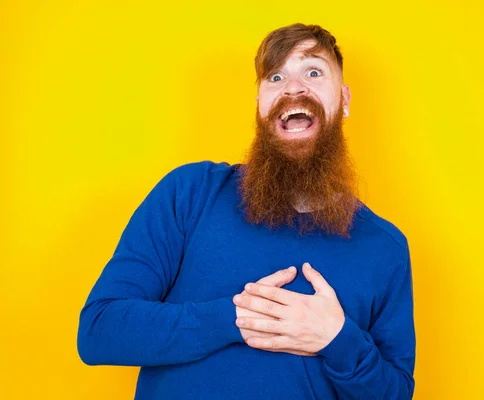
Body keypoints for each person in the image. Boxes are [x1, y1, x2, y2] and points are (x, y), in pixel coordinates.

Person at [77, 23, 416, 399]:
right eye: (275, 76)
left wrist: (338, 339)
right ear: (259, 103)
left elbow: (395, 393)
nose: (293, 87)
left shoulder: (385, 248)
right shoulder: (190, 193)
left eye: (314, 72)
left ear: (345, 98)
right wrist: (234, 318)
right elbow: (99, 331)